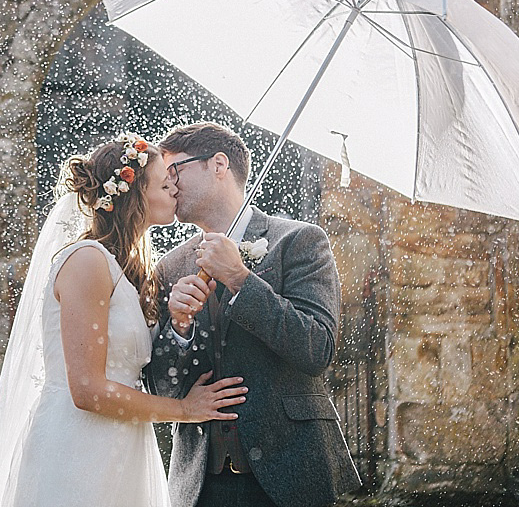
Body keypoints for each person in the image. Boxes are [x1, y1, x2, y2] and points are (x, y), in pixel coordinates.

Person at [0, 133, 248, 507]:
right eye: (165, 185)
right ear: (135, 194)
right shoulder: (87, 261)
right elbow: (86, 389)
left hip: (125, 446)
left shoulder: (128, 270)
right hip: (79, 448)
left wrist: (181, 320)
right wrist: (185, 410)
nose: (175, 192)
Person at [148, 122, 361, 507]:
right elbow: (163, 388)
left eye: (175, 170)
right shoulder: (170, 267)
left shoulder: (299, 241)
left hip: (290, 472)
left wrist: (241, 280)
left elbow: (316, 348)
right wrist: (177, 327)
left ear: (218, 164)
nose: (169, 184)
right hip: (200, 483)